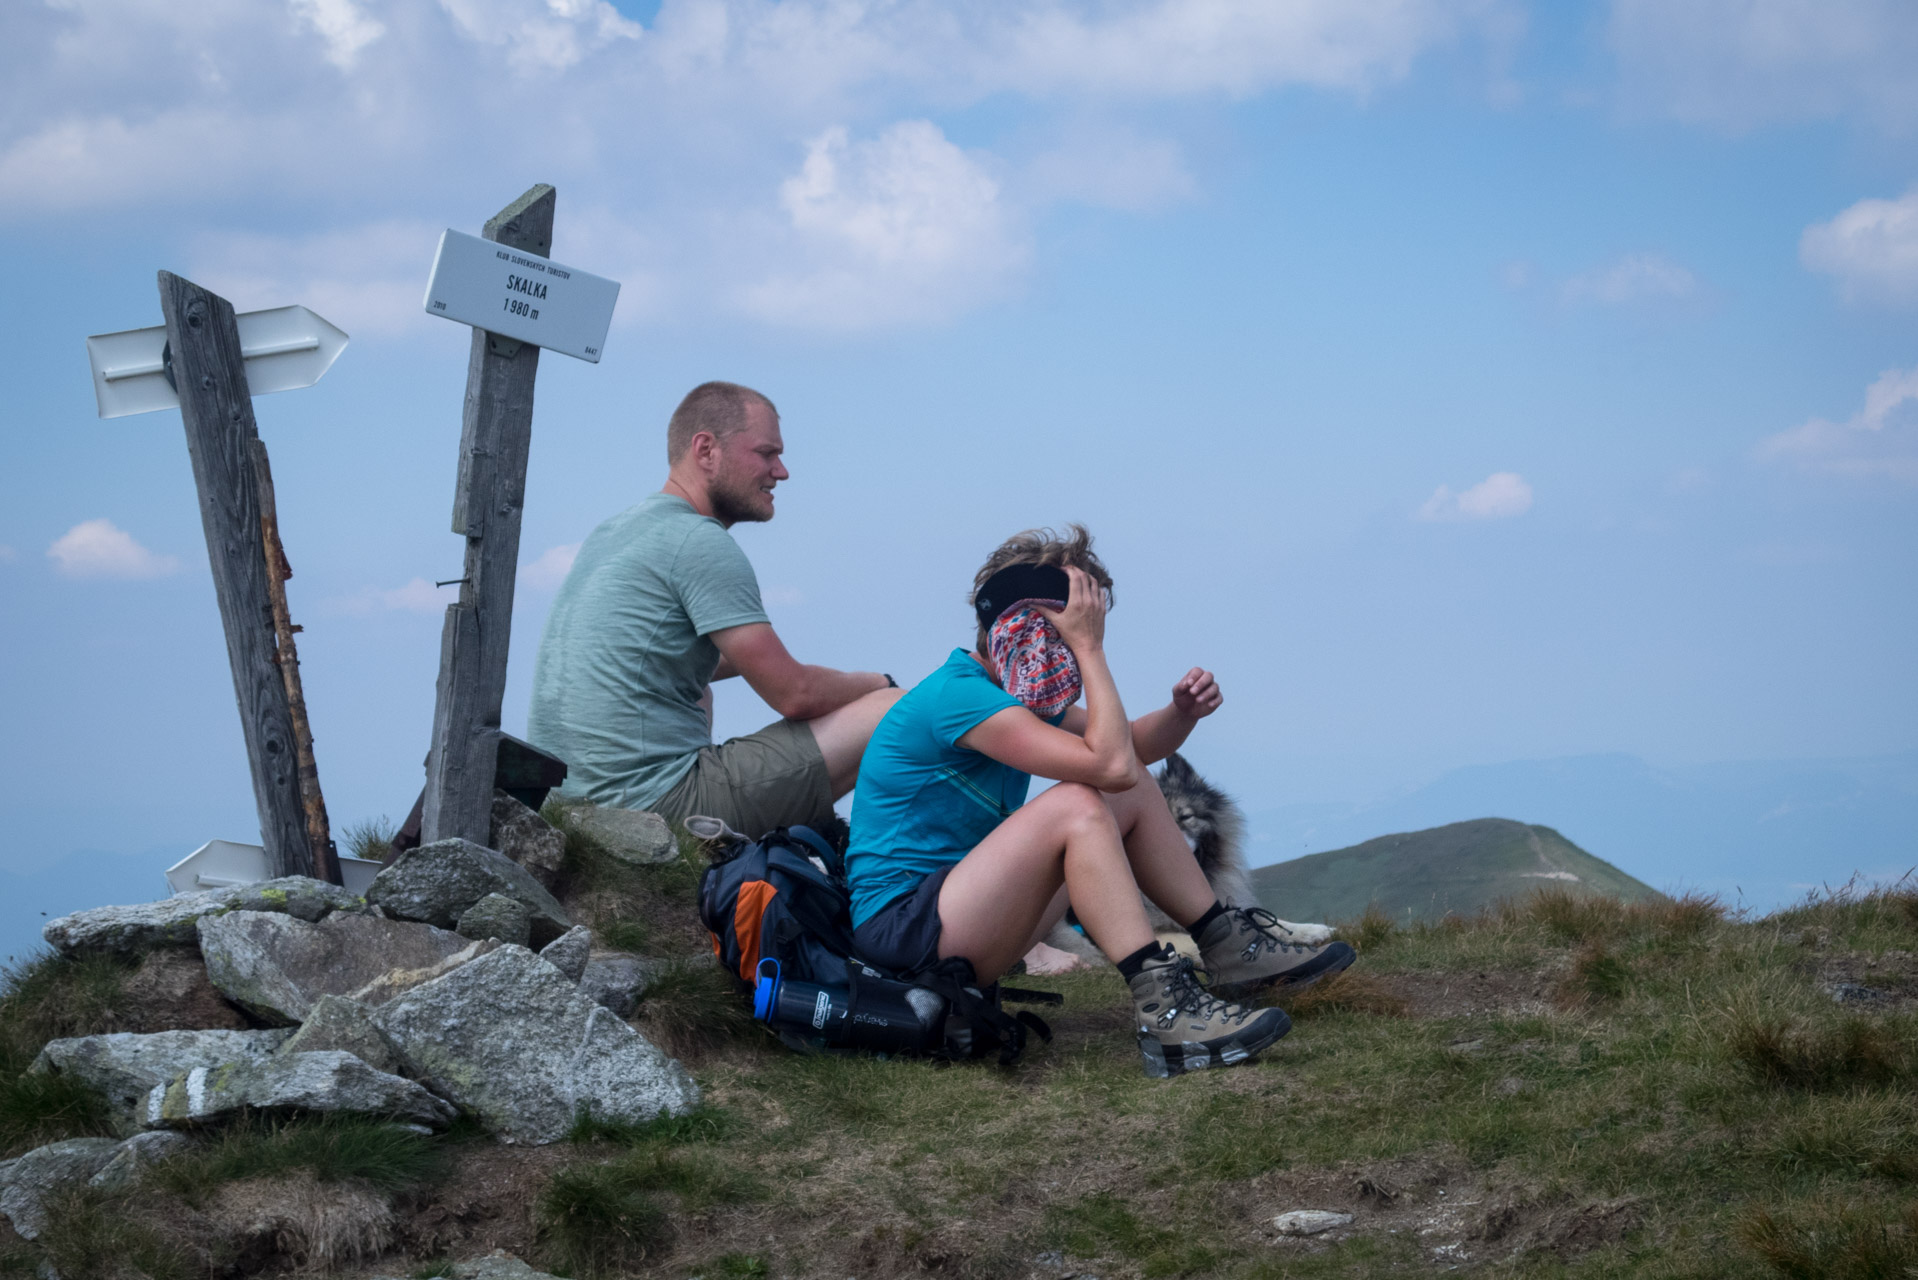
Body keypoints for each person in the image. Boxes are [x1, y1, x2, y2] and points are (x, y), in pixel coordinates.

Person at [844, 526, 1355, 1076]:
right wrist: (1091, 648)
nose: (1065, 649)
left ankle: (1228, 947)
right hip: (904, 933)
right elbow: (1106, 765)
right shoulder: (958, 696)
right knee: (1079, 805)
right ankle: (1168, 1011)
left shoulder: (1007, 696)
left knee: (1124, 783)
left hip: (957, 914)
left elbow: (1129, 753)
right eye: (1061, 632)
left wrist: (1181, 712)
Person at [527, 381, 903, 837]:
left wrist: (763, 666)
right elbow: (795, 694)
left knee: (701, 684)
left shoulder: (615, 532)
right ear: (706, 450)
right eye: (766, 453)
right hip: (649, 806)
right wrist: (877, 682)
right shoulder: (700, 542)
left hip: (573, 803)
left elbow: (656, 656)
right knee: (895, 709)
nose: (780, 471)